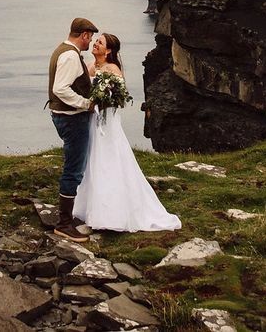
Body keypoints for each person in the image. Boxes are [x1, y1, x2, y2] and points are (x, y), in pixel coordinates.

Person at [73, 32, 182, 233]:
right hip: (93, 119)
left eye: (100, 42)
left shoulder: (113, 69)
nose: (96, 44)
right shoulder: (90, 66)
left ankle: (111, 213)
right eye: (96, 41)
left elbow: (118, 98)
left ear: (109, 51)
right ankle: (90, 207)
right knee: (92, 159)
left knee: (108, 159)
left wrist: (103, 99)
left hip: (107, 122)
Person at [46, 17, 98, 241]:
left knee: (74, 166)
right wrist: (85, 103)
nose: (91, 42)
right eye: (91, 37)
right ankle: (64, 223)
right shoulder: (69, 55)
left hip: (65, 117)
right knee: (73, 169)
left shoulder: (64, 51)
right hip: (71, 119)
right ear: (84, 34)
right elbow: (60, 89)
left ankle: (68, 217)